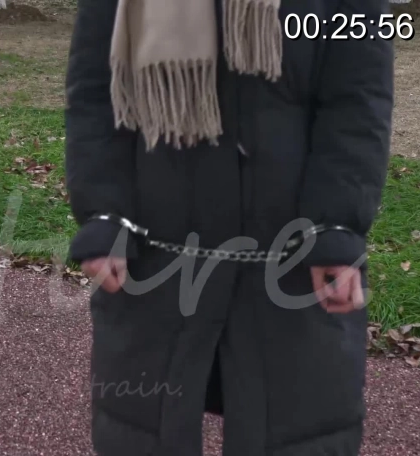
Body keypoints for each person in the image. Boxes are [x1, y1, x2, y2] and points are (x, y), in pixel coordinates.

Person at [64, 0, 394, 454]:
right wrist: (104, 211)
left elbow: (358, 98)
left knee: (300, 427)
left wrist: (336, 224)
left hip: (293, 253)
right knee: (143, 433)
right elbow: (94, 91)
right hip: (157, 254)